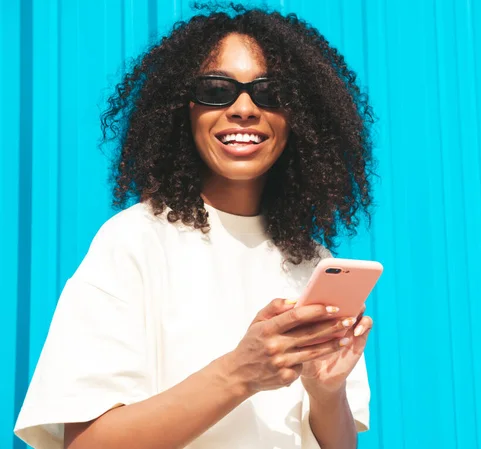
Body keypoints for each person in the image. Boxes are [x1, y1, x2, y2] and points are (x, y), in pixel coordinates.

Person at [14, 4, 376, 449]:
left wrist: (326, 392)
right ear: (182, 110)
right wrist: (239, 373)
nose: (244, 108)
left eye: (271, 92)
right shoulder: (134, 242)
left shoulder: (314, 262)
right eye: (216, 89)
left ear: (298, 117)